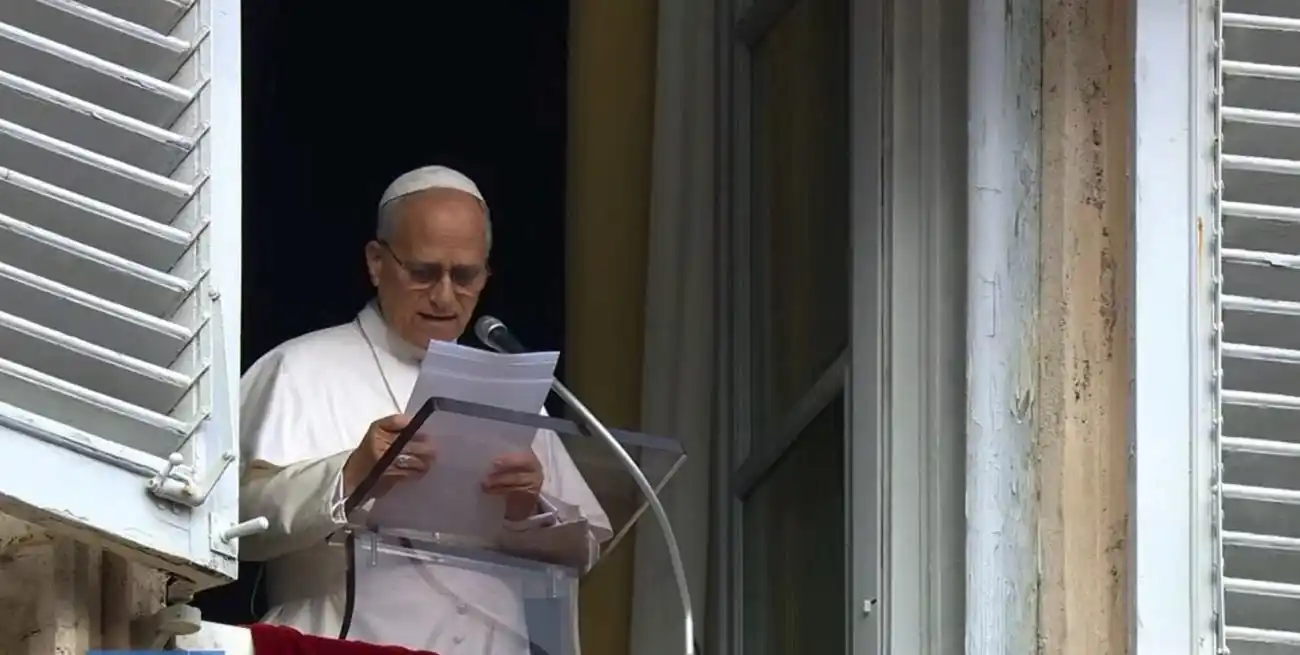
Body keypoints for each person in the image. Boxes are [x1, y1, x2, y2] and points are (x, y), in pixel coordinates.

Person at [238, 165, 612, 655]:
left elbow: (585, 551)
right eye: (423, 272)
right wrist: (352, 474)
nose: (444, 295)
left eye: (465, 276)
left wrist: (528, 508)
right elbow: (234, 524)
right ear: (376, 262)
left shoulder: (513, 391)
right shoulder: (298, 367)